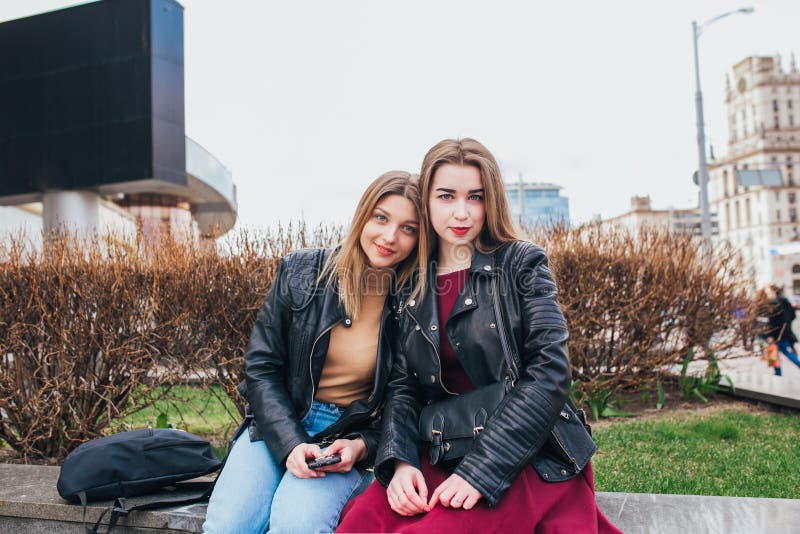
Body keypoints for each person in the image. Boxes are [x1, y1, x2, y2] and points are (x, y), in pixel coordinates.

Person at [337, 138, 620, 533]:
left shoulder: (521, 263)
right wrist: (400, 462)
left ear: (492, 201)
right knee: (360, 524)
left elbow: (549, 375)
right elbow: (404, 384)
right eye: (446, 196)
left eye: (476, 197)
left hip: (523, 451)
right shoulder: (411, 280)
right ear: (427, 203)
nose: (461, 212)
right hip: (441, 447)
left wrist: (480, 472)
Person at [203, 171, 423, 534]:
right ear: (363, 214)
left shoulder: (414, 300)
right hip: (278, 422)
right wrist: (290, 442)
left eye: (408, 228)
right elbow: (262, 367)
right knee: (229, 526)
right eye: (381, 217)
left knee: (296, 526)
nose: (389, 236)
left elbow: (405, 395)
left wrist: (361, 447)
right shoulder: (303, 271)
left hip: (345, 436)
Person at [765, 284, 800, 370]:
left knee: (774, 353)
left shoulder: (774, 303)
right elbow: (793, 315)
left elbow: (772, 321)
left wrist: (771, 335)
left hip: (776, 333)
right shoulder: (786, 302)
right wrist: (787, 323)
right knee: (783, 351)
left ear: (773, 292)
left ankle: (777, 374)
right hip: (785, 331)